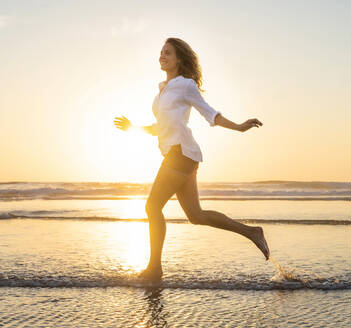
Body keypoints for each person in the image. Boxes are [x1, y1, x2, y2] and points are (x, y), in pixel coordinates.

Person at [114, 37, 269, 281]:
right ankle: (252, 232)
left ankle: (154, 269)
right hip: (180, 155)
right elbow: (161, 126)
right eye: (161, 53)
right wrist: (133, 128)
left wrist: (239, 127)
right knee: (196, 216)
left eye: (168, 53)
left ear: (179, 59)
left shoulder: (186, 85)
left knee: (152, 206)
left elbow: (210, 113)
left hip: (180, 154)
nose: (162, 56)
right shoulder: (162, 89)